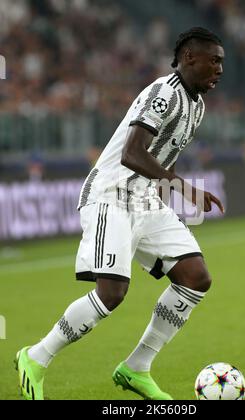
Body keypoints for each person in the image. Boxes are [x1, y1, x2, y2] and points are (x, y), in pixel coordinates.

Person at [15, 27, 225, 400]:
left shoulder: (198, 105)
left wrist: (169, 188)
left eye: (222, 63)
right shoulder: (164, 93)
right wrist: (182, 187)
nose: (219, 69)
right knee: (112, 293)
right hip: (110, 197)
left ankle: (137, 367)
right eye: (215, 61)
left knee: (195, 277)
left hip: (146, 200)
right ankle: (35, 357)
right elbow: (132, 153)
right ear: (189, 57)